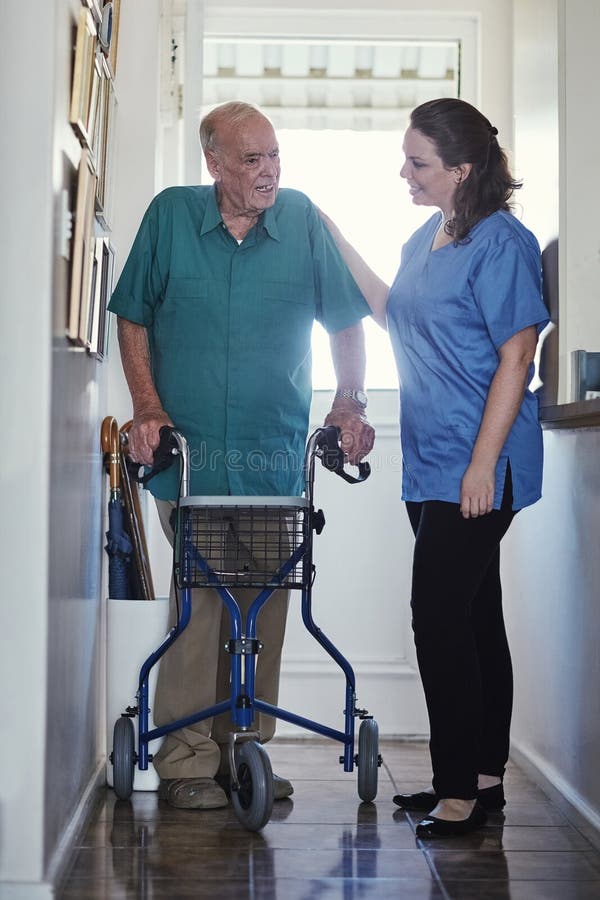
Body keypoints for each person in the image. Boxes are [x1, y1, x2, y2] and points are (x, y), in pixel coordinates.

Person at [108, 101, 375, 810]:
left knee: (266, 605)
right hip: (189, 456)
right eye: (251, 160)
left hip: (273, 458)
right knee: (200, 604)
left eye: (275, 157)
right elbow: (132, 313)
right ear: (215, 163)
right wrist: (146, 407)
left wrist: (350, 399)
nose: (268, 173)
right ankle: (186, 761)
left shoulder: (303, 222)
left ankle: (242, 751)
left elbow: (347, 320)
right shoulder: (170, 216)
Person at [320, 98, 549, 837]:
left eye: (419, 162)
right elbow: (394, 315)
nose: (405, 172)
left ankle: (457, 789)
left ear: (462, 168)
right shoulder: (429, 235)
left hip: (481, 462)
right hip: (430, 462)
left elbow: (518, 353)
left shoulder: (501, 243)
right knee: (477, 617)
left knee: (438, 617)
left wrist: (482, 466)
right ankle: (482, 782)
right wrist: (333, 236)